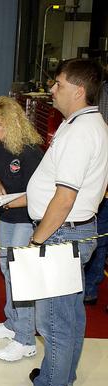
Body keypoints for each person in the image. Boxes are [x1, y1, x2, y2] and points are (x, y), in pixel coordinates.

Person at [5, 59, 108, 386]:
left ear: (79, 90)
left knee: (53, 322)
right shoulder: (83, 124)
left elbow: (64, 198)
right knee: (70, 316)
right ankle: (61, 376)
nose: (51, 90)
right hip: (73, 233)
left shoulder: (81, 131)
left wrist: (37, 241)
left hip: (61, 235)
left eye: (58, 84)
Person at [0, 97, 43, 362]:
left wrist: (5, 200)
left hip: (26, 218)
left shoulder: (31, 152)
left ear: (13, 124)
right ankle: (12, 322)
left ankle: (26, 339)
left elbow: (42, 194)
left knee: (21, 274)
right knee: (7, 268)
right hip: (6, 215)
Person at [83, 70, 108, 308]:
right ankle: (89, 288)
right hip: (102, 183)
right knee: (99, 237)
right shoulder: (102, 91)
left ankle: (89, 287)